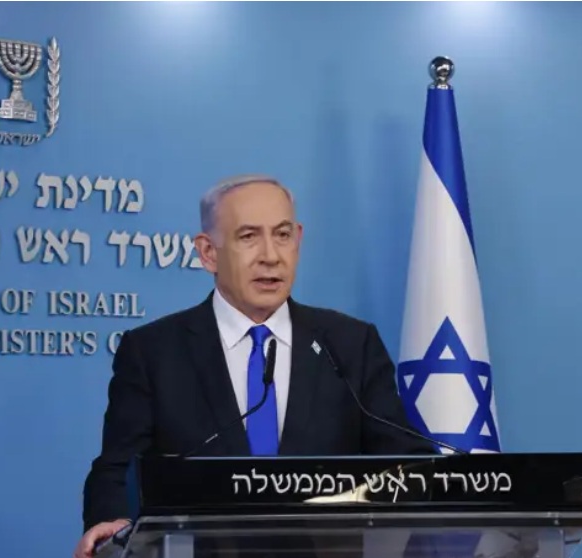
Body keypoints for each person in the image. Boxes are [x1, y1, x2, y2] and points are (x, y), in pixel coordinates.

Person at [73, 175, 434, 558]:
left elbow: (405, 462)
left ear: (298, 240)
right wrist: (111, 520)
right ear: (208, 252)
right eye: (248, 237)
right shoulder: (154, 351)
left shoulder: (349, 344)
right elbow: (118, 468)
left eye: (282, 235)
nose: (271, 256)